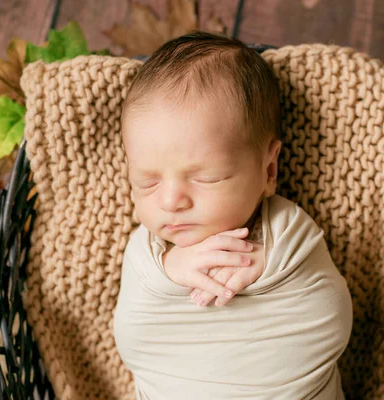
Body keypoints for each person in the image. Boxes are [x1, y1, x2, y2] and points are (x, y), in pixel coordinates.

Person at [113, 31, 353, 399]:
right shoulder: (148, 254)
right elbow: (133, 336)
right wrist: (169, 272)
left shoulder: (287, 233)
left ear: (268, 171)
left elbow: (333, 320)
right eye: (146, 183)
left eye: (206, 177)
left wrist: (269, 269)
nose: (171, 200)